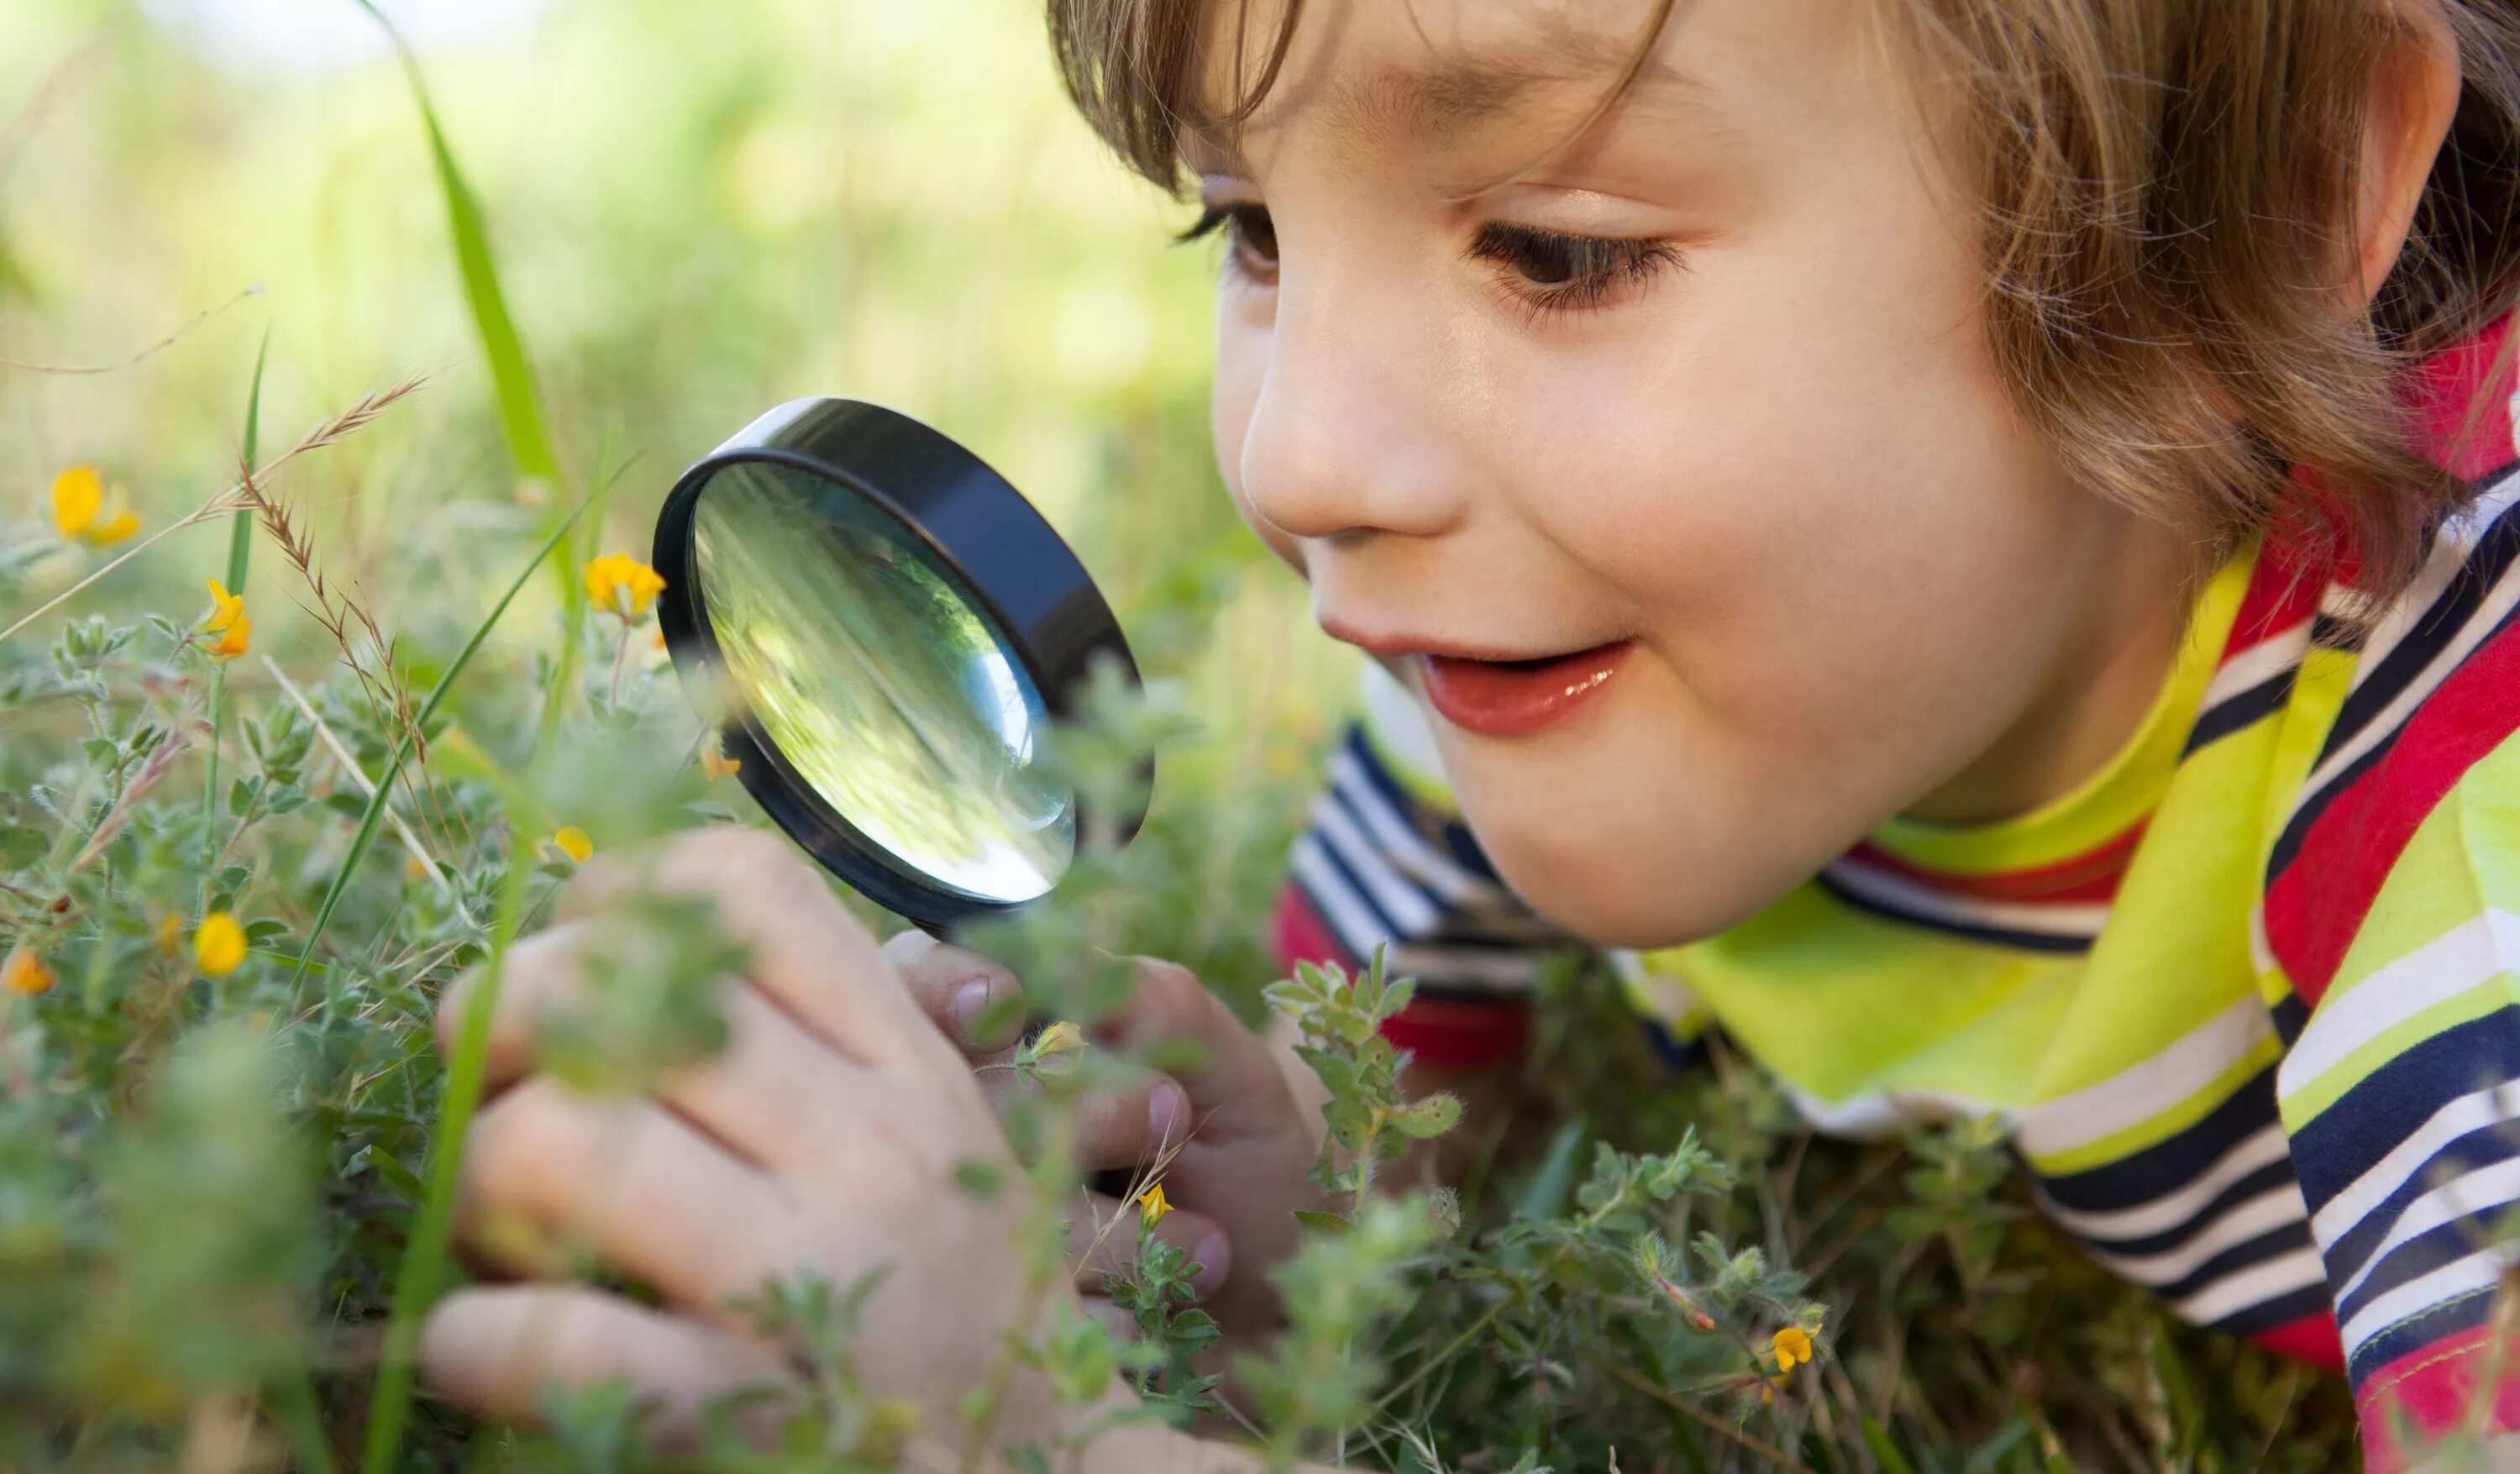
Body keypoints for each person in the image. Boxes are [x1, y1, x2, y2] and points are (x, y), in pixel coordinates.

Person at [415, 0, 2520, 1467]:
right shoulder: (1523, 639)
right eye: (1250, 230)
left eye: (1558, 251)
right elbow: (1368, 1223)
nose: (1308, 458)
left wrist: (1024, 1440)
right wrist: (1262, 1276)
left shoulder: (2468, 773)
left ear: (2259, 198)